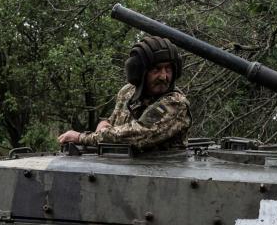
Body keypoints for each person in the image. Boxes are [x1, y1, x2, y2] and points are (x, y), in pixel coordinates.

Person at [58, 36, 191, 151]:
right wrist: (104, 124)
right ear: (140, 72)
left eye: (168, 69)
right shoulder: (127, 92)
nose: (164, 76)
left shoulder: (176, 104)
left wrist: (81, 138)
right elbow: (115, 122)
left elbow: (137, 134)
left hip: (162, 173)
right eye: (156, 69)